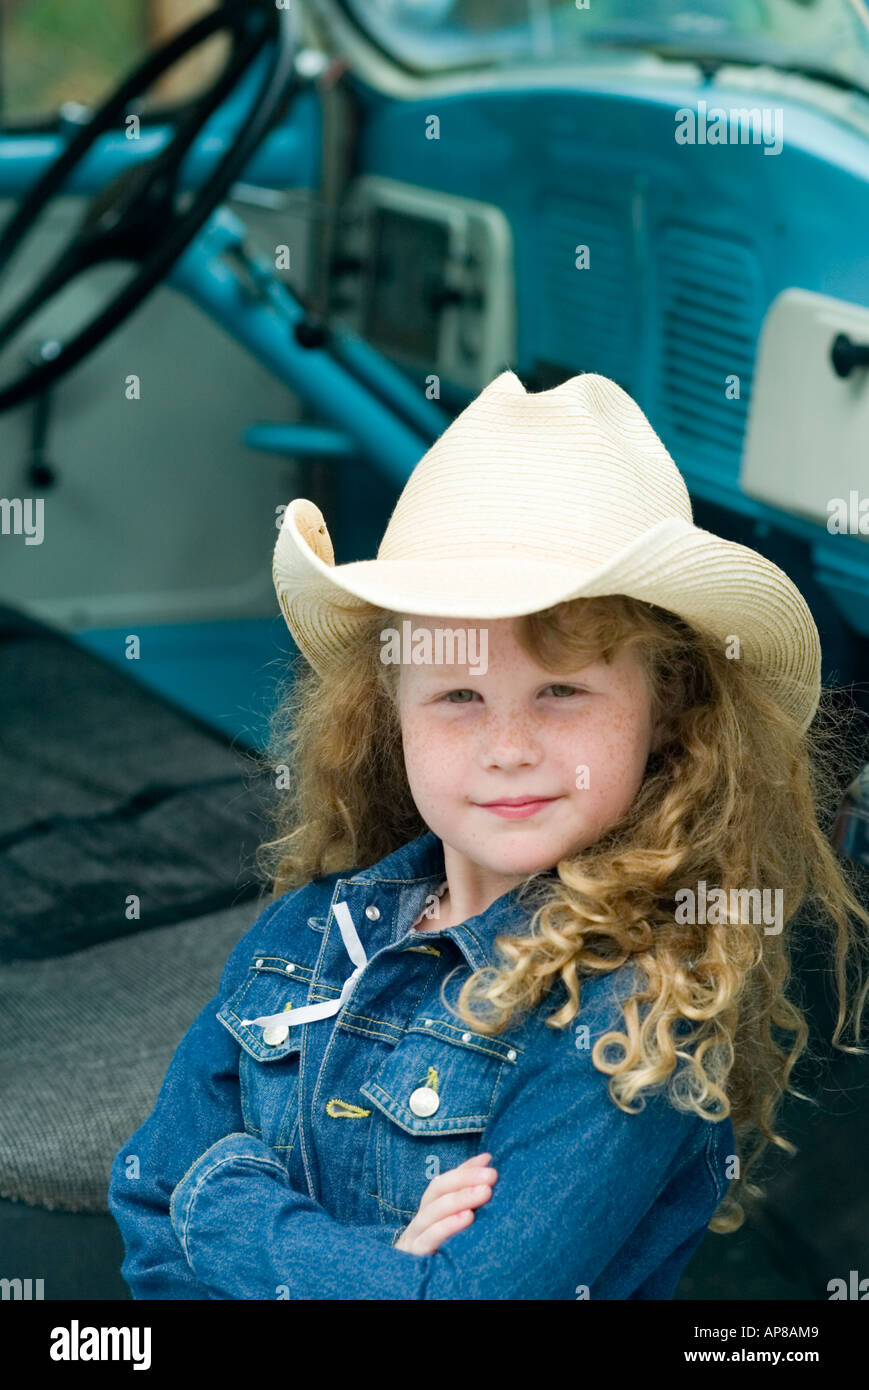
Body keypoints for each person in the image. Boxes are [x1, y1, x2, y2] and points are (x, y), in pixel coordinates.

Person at [107, 368, 869, 1299]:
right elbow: (144, 1206)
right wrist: (386, 1272)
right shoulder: (306, 934)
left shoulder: (636, 1018)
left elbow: (466, 1297)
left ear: (668, 711)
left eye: (562, 691)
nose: (508, 748)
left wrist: (220, 1203)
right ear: (388, 712)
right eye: (459, 697)